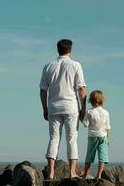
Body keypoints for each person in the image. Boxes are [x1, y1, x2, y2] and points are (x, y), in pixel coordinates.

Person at [39, 39, 87, 179]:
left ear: (58, 50)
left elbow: (43, 91)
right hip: (71, 106)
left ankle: (52, 172)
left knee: (54, 138)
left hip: (54, 107)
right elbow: (81, 89)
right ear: (70, 50)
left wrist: (45, 108)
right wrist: (83, 107)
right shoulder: (75, 65)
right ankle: (72, 172)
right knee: (72, 139)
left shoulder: (48, 66)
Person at [81, 90, 111, 179]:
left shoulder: (89, 112)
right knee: (102, 157)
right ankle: (98, 175)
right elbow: (108, 127)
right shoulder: (106, 112)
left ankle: (85, 174)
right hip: (103, 137)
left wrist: (81, 117)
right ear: (102, 100)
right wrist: (108, 138)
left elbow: (85, 124)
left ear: (90, 100)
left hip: (93, 137)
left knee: (89, 156)